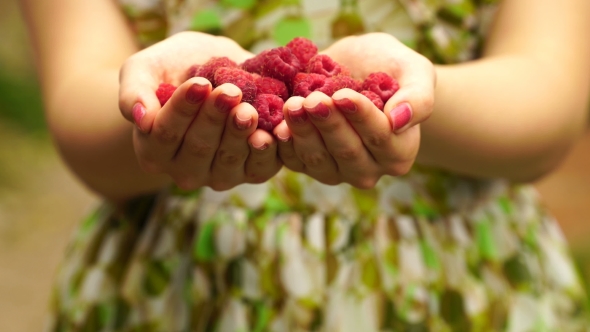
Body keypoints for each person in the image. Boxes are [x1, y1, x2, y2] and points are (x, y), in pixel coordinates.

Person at [19, 0, 590, 331]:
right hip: (181, 290)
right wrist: (155, 118)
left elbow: (549, 103)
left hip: (455, 292)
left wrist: (413, 106)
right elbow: (78, 110)